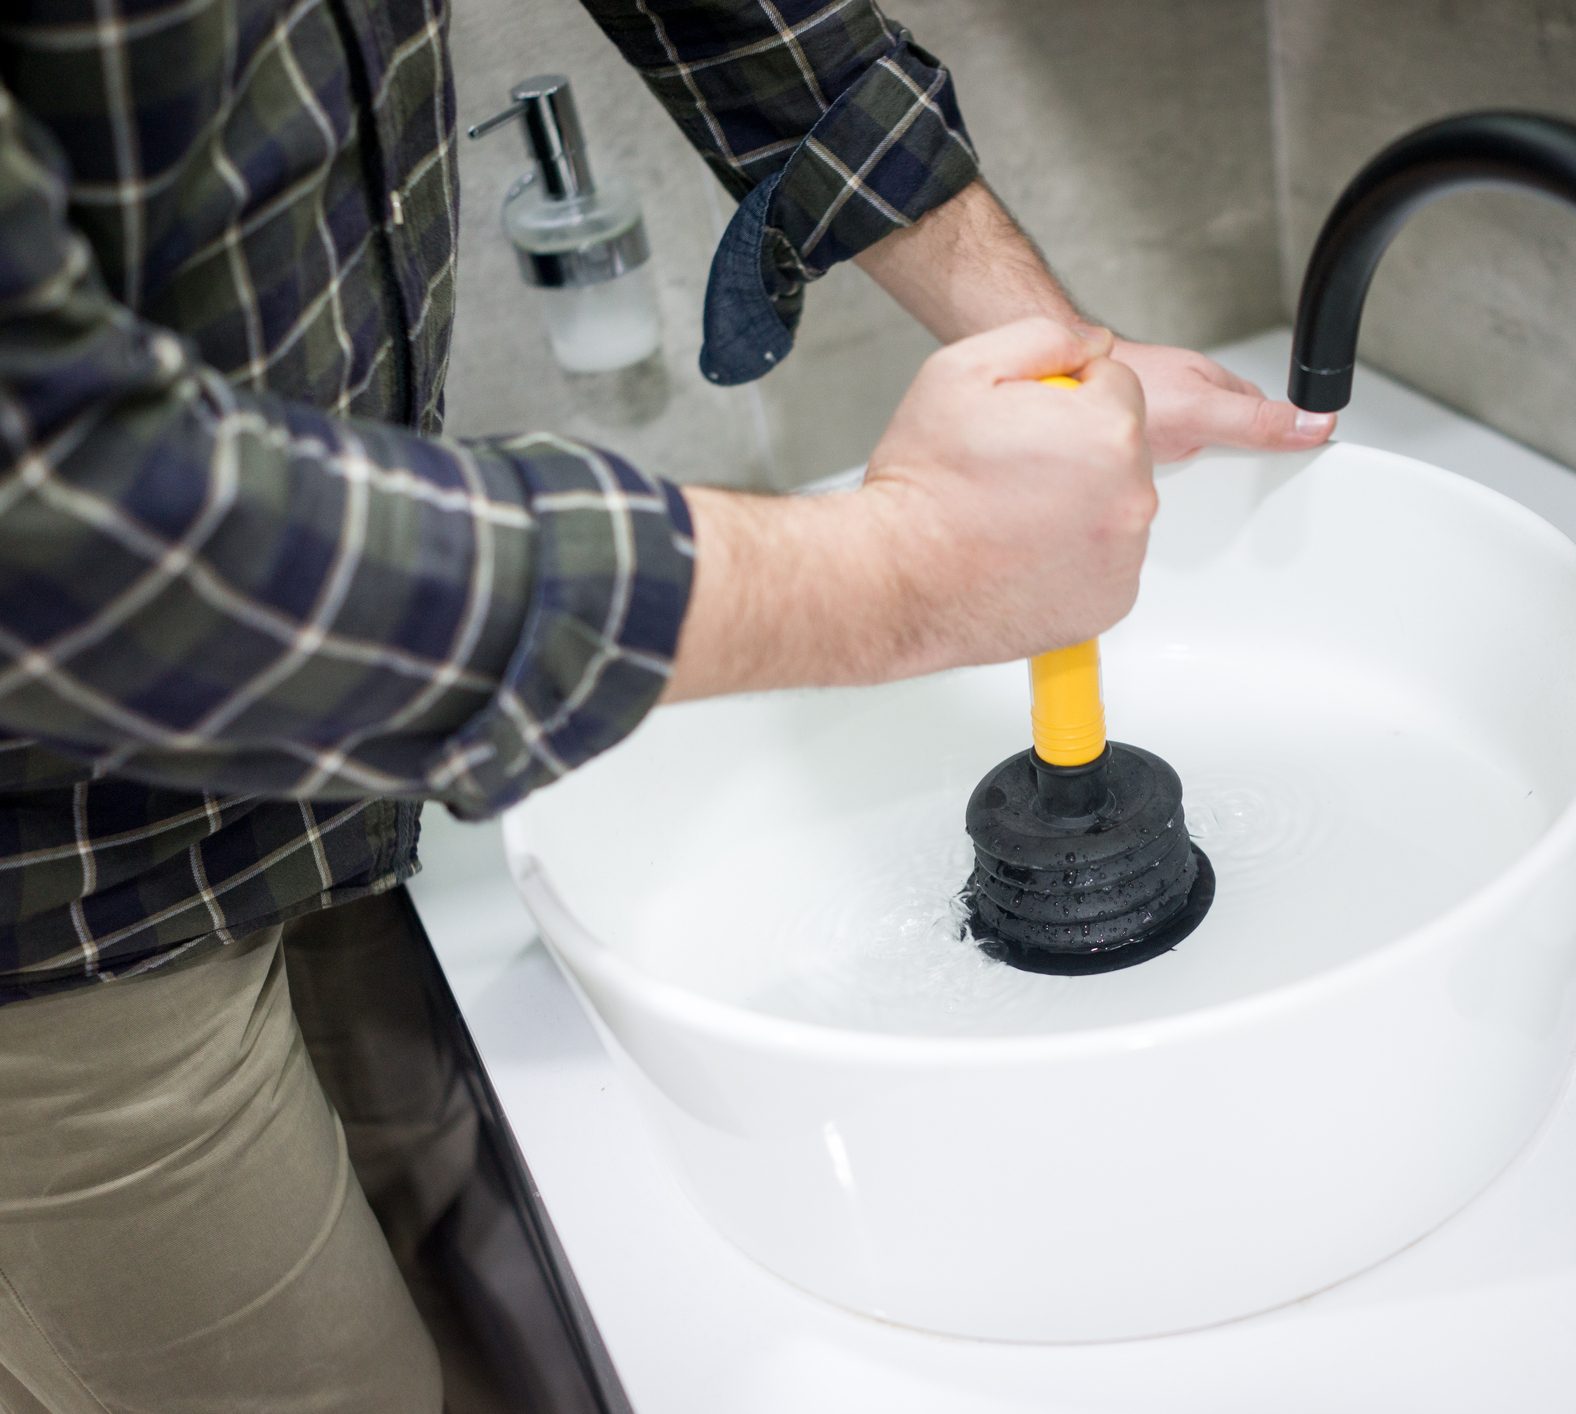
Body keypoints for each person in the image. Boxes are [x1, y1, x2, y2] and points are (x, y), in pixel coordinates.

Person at [0, 1, 1333, 1409]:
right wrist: (905, 571)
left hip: (351, 684)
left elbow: (742, 18)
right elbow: (58, 522)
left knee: (456, 1232)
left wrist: (1054, 359)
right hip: (63, 891)